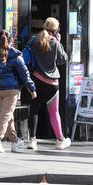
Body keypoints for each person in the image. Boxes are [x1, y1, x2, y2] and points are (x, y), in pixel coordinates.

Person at [27, 17, 70, 150]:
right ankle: (60, 139)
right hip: (51, 84)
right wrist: (59, 41)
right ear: (56, 30)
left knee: (34, 110)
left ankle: (32, 140)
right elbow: (63, 60)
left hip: (35, 80)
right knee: (54, 112)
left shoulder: (34, 40)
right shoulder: (55, 42)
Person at [0, 30, 37, 153]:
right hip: (11, 90)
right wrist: (32, 89)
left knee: (8, 116)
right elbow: (25, 74)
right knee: (5, 116)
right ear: (11, 40)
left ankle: (15, 141)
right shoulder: (16, 56)